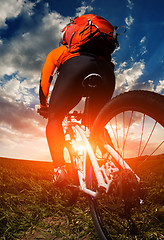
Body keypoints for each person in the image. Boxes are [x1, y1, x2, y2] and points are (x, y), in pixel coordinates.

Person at [38, 15, 117, 186]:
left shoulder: (60, 52)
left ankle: (60, 170)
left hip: (75, 68)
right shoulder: (101, 53)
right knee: (97, 122)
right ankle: (114, 163)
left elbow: (45, 81)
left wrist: (44, 106)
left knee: (55, 119)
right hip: (107, 71)